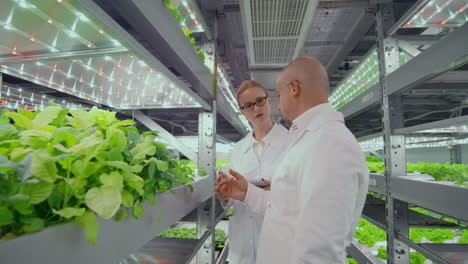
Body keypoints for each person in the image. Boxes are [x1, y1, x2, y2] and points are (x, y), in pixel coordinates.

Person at [218, 56, 369, 263]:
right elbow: (286, 209)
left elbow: (321, 250)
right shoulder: (311, 139)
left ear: (294, 89)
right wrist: (245, 193)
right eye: (247, 106)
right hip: (243, 250)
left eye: (278, 96)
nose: (279, 106)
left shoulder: (329, 143)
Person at [215, 80, 290, 264]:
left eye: (259, 101)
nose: (256, 109)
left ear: (269, 101)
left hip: (279, 245)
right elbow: (234, 199)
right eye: (248, 106)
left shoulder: (292, 143)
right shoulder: (239, 150)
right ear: (242, 111)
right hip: (242, 246)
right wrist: (225, 196)